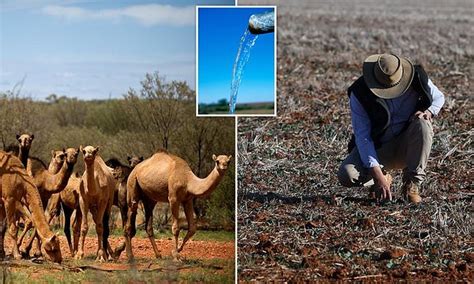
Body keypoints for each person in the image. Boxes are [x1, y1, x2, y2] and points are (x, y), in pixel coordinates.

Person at [338, 53, 445, 203]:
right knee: (347, 175)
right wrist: (377, 175)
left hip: (407, 145)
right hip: (379, 148)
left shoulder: (417, 77)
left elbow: (439, 97)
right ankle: (384, 176)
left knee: (423, 124)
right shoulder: (360, 92)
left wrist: (429, 111)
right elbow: (363, 136)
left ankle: (411, 184)